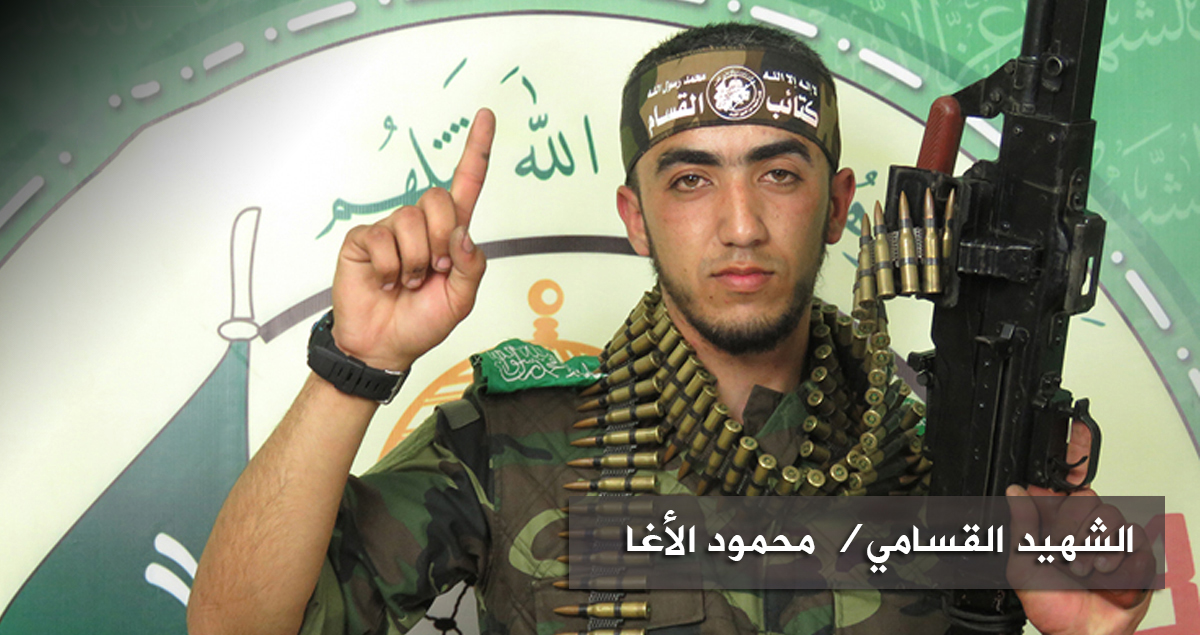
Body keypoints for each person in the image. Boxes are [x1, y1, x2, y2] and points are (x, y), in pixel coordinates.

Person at [188, 22, 1151, 635]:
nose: (741, 224)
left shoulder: (943, 441)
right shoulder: (513, 441)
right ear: (636, 217)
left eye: (780, 173)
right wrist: (352, 366)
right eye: (691, 179)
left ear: (838, 205)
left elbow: (1139, 571)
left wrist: (1095, 622)